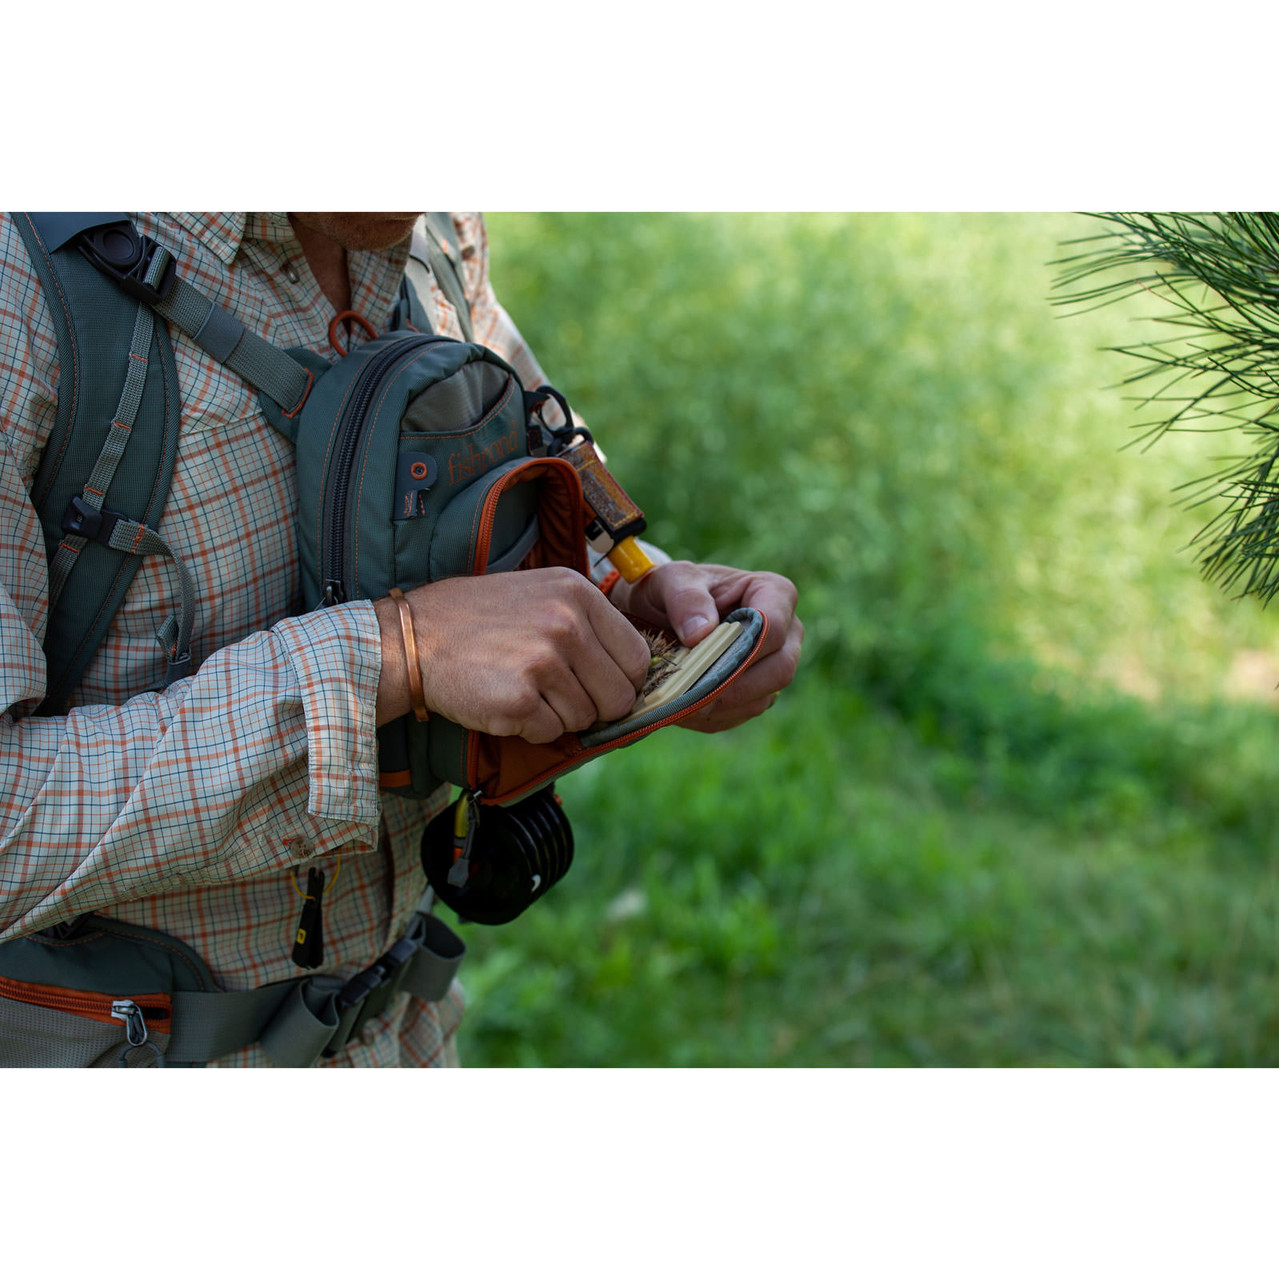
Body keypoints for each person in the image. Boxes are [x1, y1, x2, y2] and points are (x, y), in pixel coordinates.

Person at [0, 212, 803, 1067]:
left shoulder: (433, 229)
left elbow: (524, 440)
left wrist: (628, 602)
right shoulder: (26, 286)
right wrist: (391, 658)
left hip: (408, 1036)